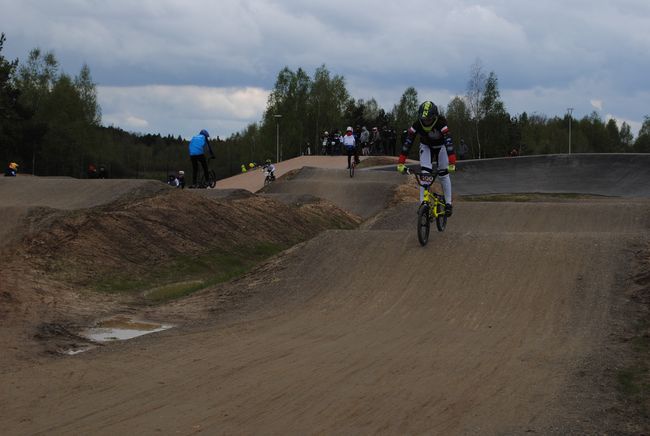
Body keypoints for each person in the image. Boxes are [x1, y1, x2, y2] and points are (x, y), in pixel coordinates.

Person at [397, 100, 456, 217]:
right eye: (424, 119)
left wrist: (452, 162)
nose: (426, 122)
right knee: (425, 174)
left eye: (429, 119)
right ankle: (423, 204)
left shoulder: (441, 123)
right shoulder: (417, 124)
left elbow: (449, 143)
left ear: (435, 117)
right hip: (426, 146)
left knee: (444, 174)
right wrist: (400, 163)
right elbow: (408, 143)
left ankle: (448, 204)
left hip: (442, 147)